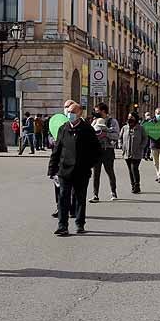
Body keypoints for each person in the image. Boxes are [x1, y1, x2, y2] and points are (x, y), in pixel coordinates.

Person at [48, 100, 101, 236]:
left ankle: (79, 223)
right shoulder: (63, 128)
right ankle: (62, 226)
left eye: (73, 112)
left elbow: (96, 150)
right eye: (69, 112)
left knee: (79, 198)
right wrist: (52, 169)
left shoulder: (87, 129)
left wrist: (89, 164)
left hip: (81, 171)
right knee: (63, 198)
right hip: (64, 170)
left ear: (80, 113)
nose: (70, 114)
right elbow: (57, 150)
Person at [90, 102, 119, 202]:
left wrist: (105, 134)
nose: (95, 113)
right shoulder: (94, 121)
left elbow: (116, 135)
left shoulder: (112, 121)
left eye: (97, 111)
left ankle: (113, 192)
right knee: (96, 173)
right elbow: (90, 134)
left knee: (110, 171)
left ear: (103, 111)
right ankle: (95, 195)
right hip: (96, 150)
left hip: (108, 150)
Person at [120, 112, 148, 193]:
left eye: (132, 117)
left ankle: (137, 185)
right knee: (130, 170)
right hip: (127, 152)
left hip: (137, 152)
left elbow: (145, 138)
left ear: (135, 118)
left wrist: (141, 147)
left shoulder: (140, 128)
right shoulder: (125, 128)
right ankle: (132, 185)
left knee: (134, 168)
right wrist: (122, 146)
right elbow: (120, 138)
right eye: (129, 117)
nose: (130, 119)